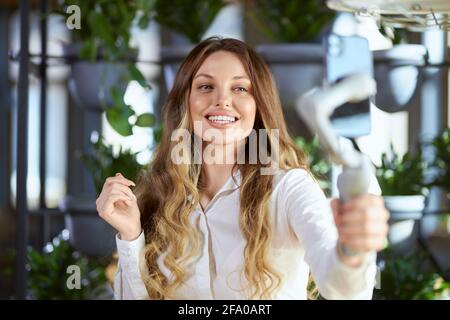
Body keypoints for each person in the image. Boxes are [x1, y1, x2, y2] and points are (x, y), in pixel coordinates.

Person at [95, 37, 389, 300]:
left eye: (240, 88)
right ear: (185, 101)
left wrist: (352, 252)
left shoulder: (289, 189)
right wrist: (131, 235)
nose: (222, 100)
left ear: (259, 105)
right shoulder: (160, 195)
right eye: (206, 86)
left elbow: (343, 290)